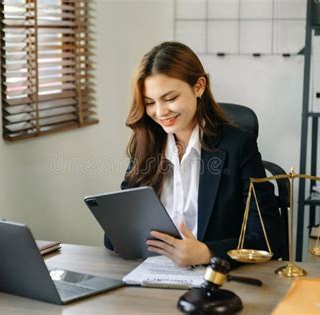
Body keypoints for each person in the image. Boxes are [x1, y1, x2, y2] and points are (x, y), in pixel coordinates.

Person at [105, 41, 283, 268]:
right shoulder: (147, 144)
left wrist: (208, 252)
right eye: (150, 102)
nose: (160, 112)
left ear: (199, 87)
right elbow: (114, 239)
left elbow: (269, 237)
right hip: (153, 273)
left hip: (216, 278)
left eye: (170, 98)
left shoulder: (238, 145)